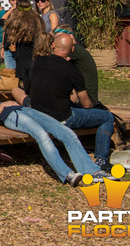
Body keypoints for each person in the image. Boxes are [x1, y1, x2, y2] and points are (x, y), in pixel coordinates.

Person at [0, 91, 108, 185]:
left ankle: (92, 171)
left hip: (27, 110)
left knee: (66, 132)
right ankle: (67, 174)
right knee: (41, 135)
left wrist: (7, 104)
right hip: (12, 115)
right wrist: (3, 106)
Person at [26, 33, 116, 172]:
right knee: (107, 117)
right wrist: (92, 107)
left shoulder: (38, 62)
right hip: (62, 117)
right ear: (72, 50)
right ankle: (102, 159)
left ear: (53, 45)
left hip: (38, 113)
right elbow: (86, 104)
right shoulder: (73, 70)